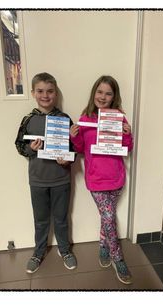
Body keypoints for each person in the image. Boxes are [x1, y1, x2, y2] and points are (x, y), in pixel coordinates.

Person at [70, 75, 133, 284]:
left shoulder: (118, 117)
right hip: (95, 179)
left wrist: (127, 134)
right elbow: (80, 149)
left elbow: (127, 148)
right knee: (109, 217)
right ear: (94, 93)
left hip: (116, 177)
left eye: (108, 93)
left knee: (107, 216)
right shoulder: (85, 117)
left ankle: (103, 247)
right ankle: (118, 258)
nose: (103, 96)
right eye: (100, 92)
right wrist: (74, 135)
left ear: (114, 96)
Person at [15, 72, 77, 274]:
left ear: (56, 94)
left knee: (61, 218)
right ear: (33, 93)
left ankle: (65, 250)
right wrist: (32, 149)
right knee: (40, 220)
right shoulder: (28, 119)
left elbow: (74, 149)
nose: (45, 95)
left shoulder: (64, 119)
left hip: (61, 179)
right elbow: (19, 146)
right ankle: (38, 251)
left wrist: (67, 158)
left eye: (50, 91)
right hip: (38, 181)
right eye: (40, 91)